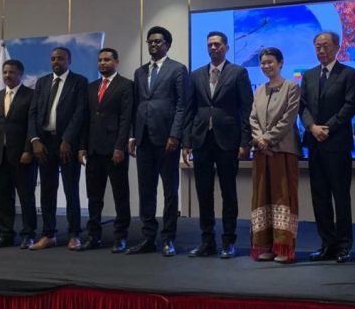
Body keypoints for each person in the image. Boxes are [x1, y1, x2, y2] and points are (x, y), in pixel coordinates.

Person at [183, 31, 253, 259]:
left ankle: (228, 242)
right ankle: (207, 241)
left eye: (217, 44)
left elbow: (246, 108)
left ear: (226, 48)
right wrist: (186, 141)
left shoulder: (238, 72)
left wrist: (245, 141)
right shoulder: (196, 75)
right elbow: (189, 110)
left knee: (228, 192)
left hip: (228, 141)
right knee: (204, 193)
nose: (213, 48)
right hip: (201, 140)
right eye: (210, 45)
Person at [127, 26, 189, 257]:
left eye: (158, 41)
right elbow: (136, 105)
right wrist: (132, 135)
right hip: (143, 138)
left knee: (170, 191)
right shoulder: (139, 72)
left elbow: (182, 105)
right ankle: (147, 238)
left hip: (166, 140)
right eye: (150, 42)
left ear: (167, 45)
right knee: (146, 190)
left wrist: (175, 135)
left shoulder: (178, 69)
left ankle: (168, 238)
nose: (153, 45)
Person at [300, 31, 355, 264]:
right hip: (314, 144)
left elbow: (350, 106)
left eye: (325, 46)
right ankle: (327, 244)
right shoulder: (309, 75)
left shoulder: (348, 74)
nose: (321, 50)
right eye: (317, 46)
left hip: (337, 143)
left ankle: (344, 246)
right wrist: (312, 127)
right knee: (319, 197)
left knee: (341, 197)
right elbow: (303, 106)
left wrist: (328, 128)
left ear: (337, 47)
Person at [28, 47, 88, 250]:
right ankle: (48, 234)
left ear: (69, 60)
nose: (56, 62)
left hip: (67, 144)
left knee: (71, 190)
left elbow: (79, 113)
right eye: (53, 58)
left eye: (61, 58)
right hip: (44, 143)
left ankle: (74, 234)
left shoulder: (79, 81)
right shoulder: (42, 82)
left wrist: (67, 139)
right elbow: (33, 112)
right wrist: (35, 139)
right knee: (47, 191)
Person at [0, 59, 38, 249]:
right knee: (2, 198)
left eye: (11, 72)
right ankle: (5, 234)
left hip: (22, 156)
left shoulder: (32, 96)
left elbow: (32, 126)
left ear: (20, 74)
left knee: (26, 197)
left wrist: (28, 150)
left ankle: (28, 234)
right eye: (5, 72)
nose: (7, 76)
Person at [78, 48, 133, 253]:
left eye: (107, 60)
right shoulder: (91, 87)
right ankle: (93, 236)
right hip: (93, 149)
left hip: (114, 150)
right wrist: (82, 146)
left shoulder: (126, 85)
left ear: (116, 62)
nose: (102, 63)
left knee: (120, 195)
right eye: (100, 60)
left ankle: (121, 237)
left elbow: (126, 118)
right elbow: (85, 119)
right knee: (94, 197)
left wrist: (120, 146)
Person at [250, 47, 301, 264]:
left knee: (283, 197)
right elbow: (253, 118)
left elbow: (288, 119)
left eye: (270, 62)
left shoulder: (292, 87)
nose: (266, 66)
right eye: (263, 63)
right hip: (262, 153)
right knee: (262, 197)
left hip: (283, 151)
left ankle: (284, 248)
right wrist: (259, 139)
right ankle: (266, 246)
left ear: (280, 63)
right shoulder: (259, 90)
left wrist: (268, 139)